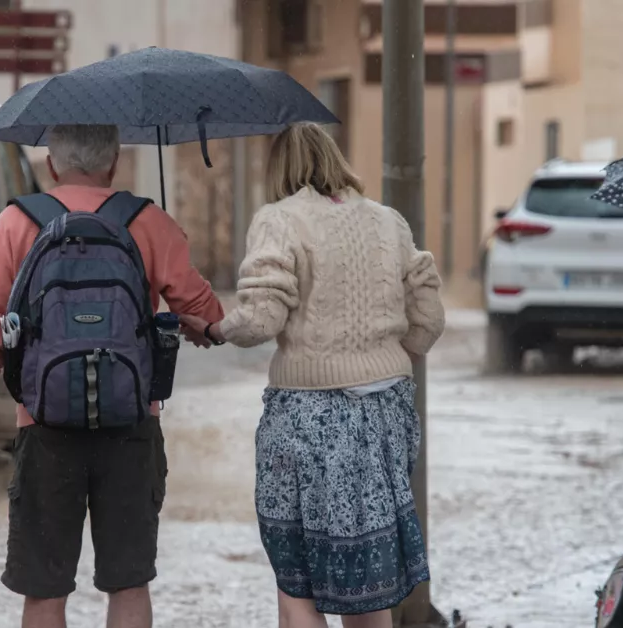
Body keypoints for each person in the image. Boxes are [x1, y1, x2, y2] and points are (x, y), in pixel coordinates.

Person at [0, 124, 224, 628]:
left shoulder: (15, 222)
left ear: (52, 164)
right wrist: (184, 310)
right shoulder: (148, 220)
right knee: (128, 584)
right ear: (113, 162)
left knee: (44, 591)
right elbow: (209, 316)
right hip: (132, 427)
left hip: (44, 428)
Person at [181, 122, 445, 628]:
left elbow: (261, 319)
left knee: (296, 580)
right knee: (368, 582)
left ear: (279, 168)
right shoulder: (389, 222)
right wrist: (385, 361)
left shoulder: (279, 220)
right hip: (387, 415)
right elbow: (429, 318)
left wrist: (214, 329)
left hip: (308, 417)